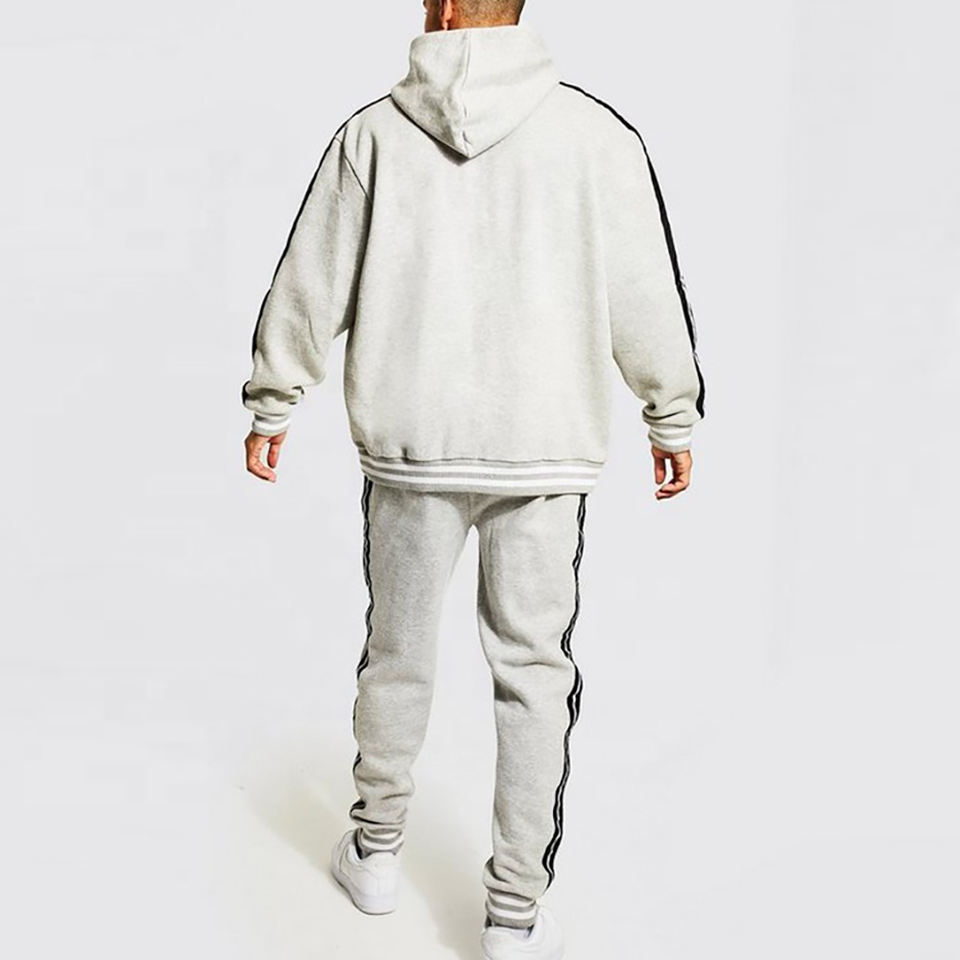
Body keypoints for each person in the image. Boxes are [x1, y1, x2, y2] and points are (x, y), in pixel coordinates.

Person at [241, 0, 706, 956]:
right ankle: (513, 916)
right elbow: (645, 289)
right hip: (544, 453)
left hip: (413, 449)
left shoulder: (372, 136)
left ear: (445, 9)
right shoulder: (597, 136)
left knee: (397, 655)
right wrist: (671, 411)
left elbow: (311, 280)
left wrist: (273, 400)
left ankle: (375, 853)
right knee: (534, 675)